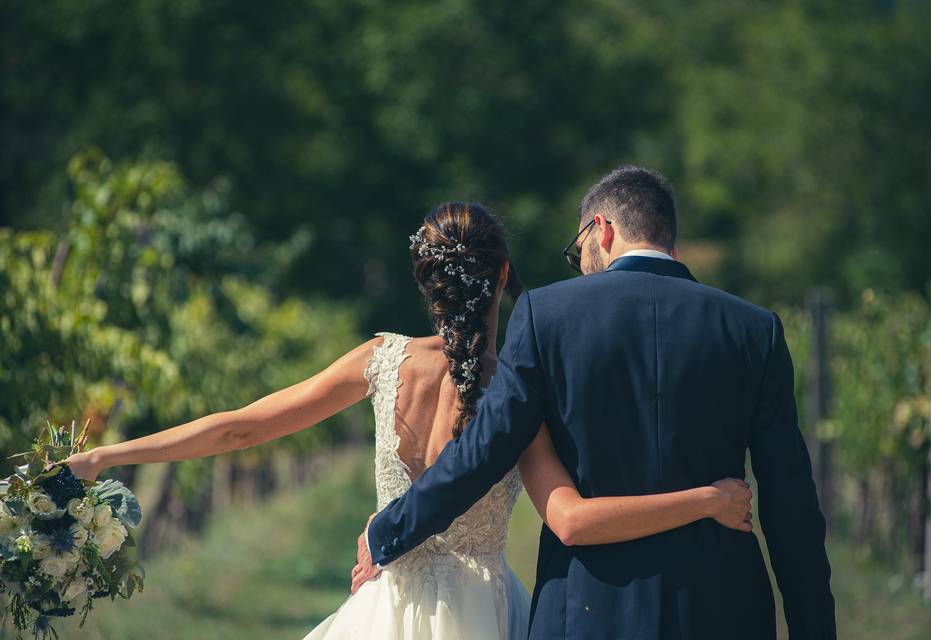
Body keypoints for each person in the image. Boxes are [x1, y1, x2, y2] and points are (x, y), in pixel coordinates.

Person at [65, 200, 754, 640]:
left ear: (426, 282)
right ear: (505, 274)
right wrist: (708, 499)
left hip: (383, 609)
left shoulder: (380, 360)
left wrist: (108, 456)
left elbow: (239, 427)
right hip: (489, 616)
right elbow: (570, 519)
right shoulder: (519, 391)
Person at [355, 169, 837, 639]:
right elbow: (790, 502)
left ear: (601, 230)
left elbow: (485, 448)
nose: (581, 264)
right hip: (722, 610)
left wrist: (389, 530)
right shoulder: (755, 331)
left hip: (588, 609)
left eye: (578, 250)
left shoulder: (546, 315)